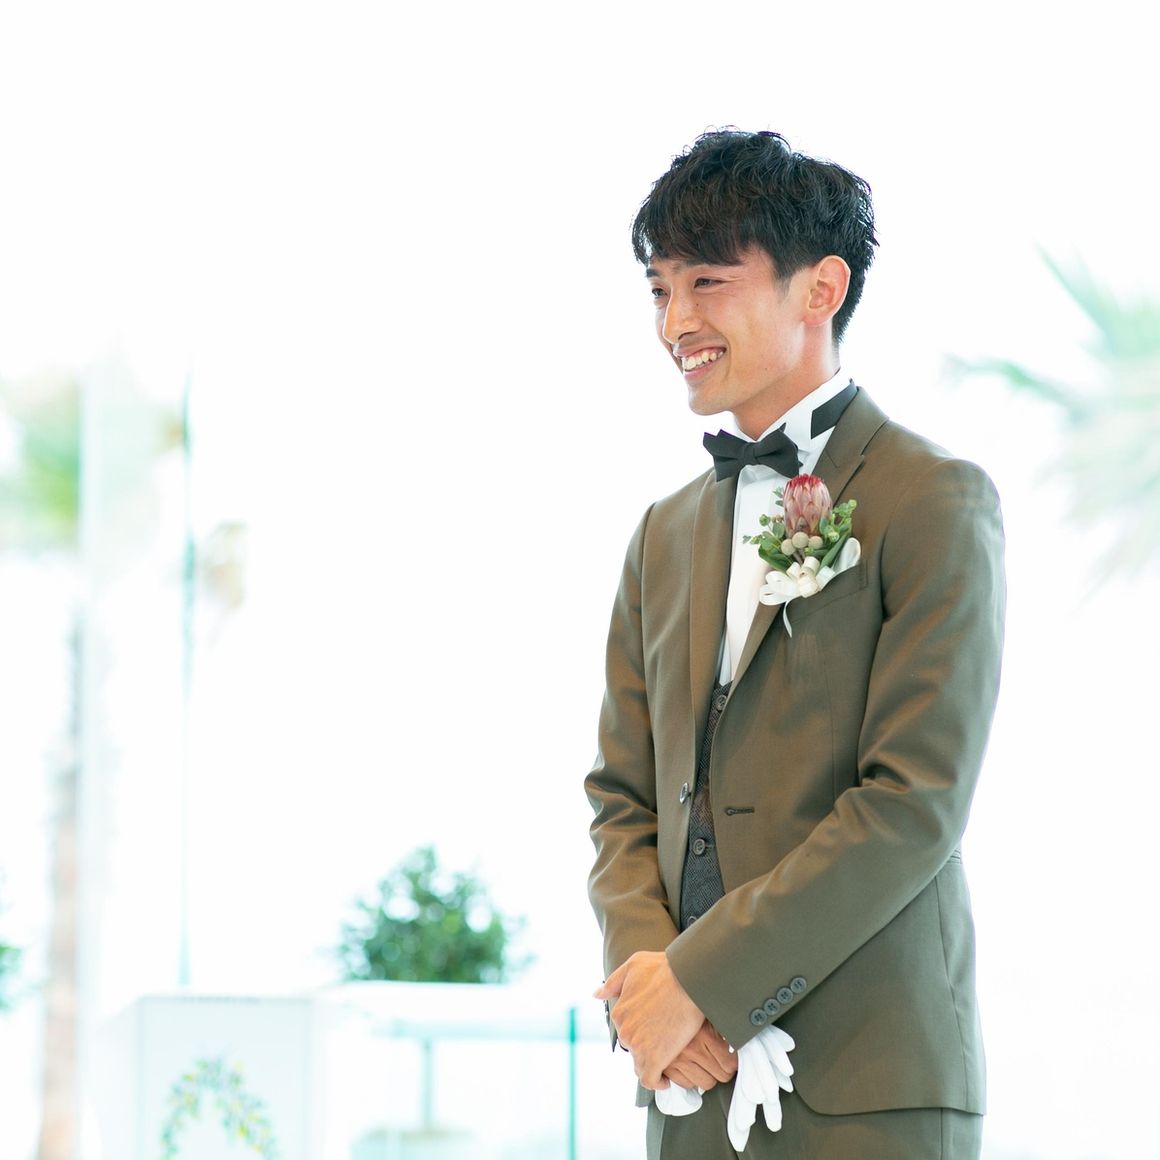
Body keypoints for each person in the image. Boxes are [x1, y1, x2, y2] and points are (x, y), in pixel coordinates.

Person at [586, 129, 1005, 1159]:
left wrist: (702, 979)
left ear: (820, 288)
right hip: (688, 1084)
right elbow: (623, 796)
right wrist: (651, 990)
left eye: (707, 282)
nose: (675, 322)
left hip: (870, 1087)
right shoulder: (660, 534)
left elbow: (912, 801)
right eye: (659, 289)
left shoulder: (932, 498)